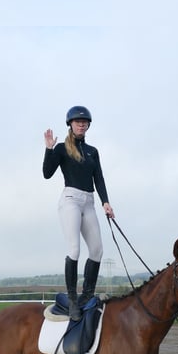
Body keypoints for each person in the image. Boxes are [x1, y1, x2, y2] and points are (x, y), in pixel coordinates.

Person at [43, 105, 115, 321]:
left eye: (84, 122)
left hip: (90, 202)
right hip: (70, 200)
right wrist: (48, 149)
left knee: (97, 250)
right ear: (71, 125)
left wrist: (106, 202)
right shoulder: (62, 149)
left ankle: (87, 296)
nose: (81, 124)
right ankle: (73, 300)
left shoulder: (93, 151)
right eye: (77, 122)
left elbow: (99, 178)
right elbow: (47, 174)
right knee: (74, 250)